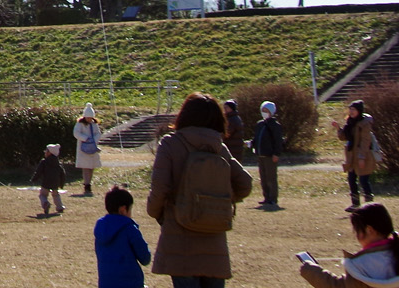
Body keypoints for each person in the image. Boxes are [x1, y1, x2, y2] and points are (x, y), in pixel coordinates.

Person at [146, 92, 254, 288]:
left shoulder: (171, 144)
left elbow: (160, 189)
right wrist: (219, 201)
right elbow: (245, 183)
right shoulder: (219, 148)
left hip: (180, 238)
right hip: (214, 240)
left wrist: (157, 213)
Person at [296, 202, 399, 288]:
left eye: (357, 231)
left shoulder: (360, 266)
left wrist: (311, 270)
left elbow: (338, 286)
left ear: (370, 230)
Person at [95, 185, 153, 288]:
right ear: (123, 209)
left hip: (106, 284)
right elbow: (145, 258)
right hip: (131, 283)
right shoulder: (129, 229)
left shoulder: (100, 229)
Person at [339, 101, 377, 210]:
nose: (351, 112)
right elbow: (344, 137)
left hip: (363, 156)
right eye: (350, 109)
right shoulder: (350, 122)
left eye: (353, 109)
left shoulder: (365, 124)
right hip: (352, 156)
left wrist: (362, 157)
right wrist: (338, 129)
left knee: (364, 180)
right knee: (351, 179)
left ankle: (370, 206)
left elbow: (366, 141)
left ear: (359, 111)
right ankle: (355, 204)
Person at [251, 101, 285, 209]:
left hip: (270, 155)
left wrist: (276, 153)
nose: (264, 112)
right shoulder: (260, 124)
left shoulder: (275, 125)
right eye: (263, 110)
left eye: (266, 111)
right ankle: (266, 197)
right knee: (263, 178)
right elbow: (256, 138)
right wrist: (251, 144)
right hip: (261, 154)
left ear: (271, 112)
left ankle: (272, 199)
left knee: (271, 178)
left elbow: (278, 141)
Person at [75, 104, 105, 195]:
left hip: (92, 147)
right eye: (88, 118)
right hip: (83, 148)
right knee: (85, 167)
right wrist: (85, 138)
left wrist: (94, 140)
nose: (89, 119)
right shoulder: (79, 124)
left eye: (90, 118)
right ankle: (86, 184)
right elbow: (76, 133)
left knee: (91, 167)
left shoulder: (94, 124)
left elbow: (98, 134)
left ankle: (89, 183)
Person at [33, 144, 67, 216]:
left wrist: (34, 179)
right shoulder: (58, 164)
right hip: (55, 183)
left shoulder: (44, 162)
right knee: (56, 195)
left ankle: (45, 203)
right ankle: (60, 207)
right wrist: (61, 184)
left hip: (46, 182)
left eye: (46, 151)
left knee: (42, 195)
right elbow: (62, 174)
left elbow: (38, 172)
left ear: (49, 153)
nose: (45, 152)